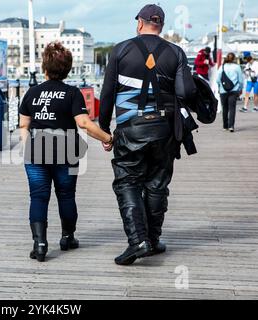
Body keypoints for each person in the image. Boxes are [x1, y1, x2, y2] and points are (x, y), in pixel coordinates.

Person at [99, 4, 196, 265]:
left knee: (127, 181)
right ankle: (152, 240)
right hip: (165, 130)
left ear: (139, 23)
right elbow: (186, 92)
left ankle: (137, 241)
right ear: (161, 25)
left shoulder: (120, 50)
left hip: (131, 127)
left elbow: (107, 94)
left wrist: (105, 129)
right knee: (157, 184)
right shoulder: (176, 52)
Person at [19, 42, 113, 263]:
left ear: (44, 67)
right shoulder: (72, 94)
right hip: (66, 151)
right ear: (68, 69)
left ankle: (40, 244)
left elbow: (24, 125)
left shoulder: (32, 93)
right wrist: (108, 138)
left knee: (38, 197)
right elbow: (84, 123)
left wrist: (28, 147)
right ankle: (67, 237)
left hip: (36, 152)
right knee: (66, 195)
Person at [217, 53, 244, 132]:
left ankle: (225, 126)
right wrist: (240, 89)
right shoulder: (237, 67)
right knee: (232, 108)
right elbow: (241, 81)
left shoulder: (222, 67)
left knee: (224, 108)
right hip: (234, 90)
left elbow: (217, 80)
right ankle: (231, 126)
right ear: (234, 59)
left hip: (223, 90)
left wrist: (220, 87)